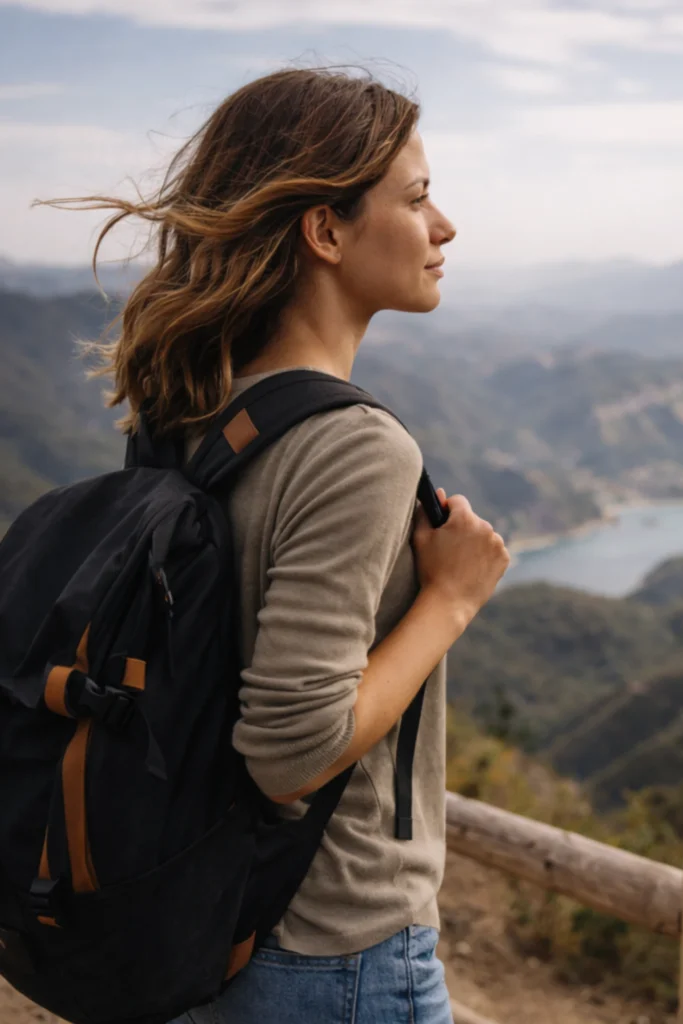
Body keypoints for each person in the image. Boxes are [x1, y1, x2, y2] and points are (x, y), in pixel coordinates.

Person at [53, 67, 510, 1023]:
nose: (445, 227)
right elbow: (293, 752)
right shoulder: (356, 447)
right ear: (326, 231)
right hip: (332, 953)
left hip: (199, 921)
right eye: (417, 198)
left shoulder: (185, 412)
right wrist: (454, 598)